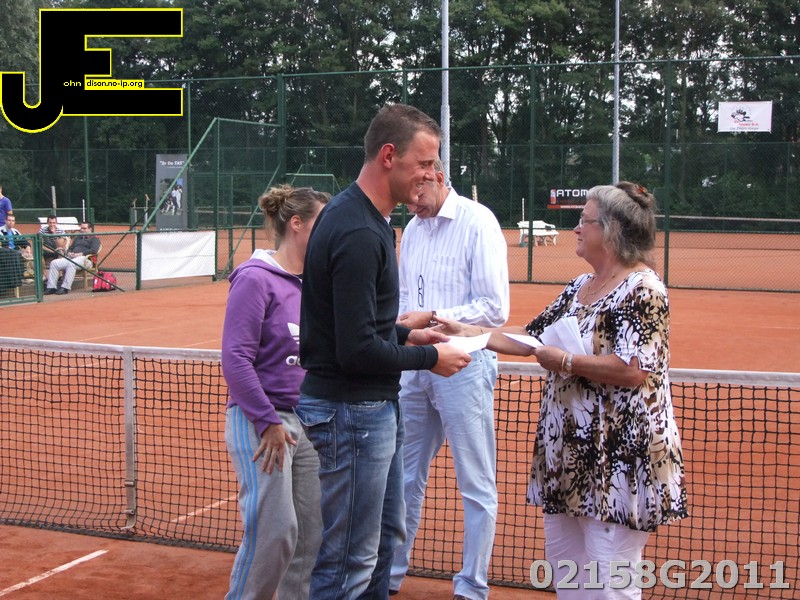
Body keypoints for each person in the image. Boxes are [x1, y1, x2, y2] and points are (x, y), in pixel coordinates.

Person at [435, 182, 688, 599]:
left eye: (584, 220)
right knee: (568, 576)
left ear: (611, 230)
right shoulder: (580, 286)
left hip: (618, 460)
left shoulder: (645, 290)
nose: (576, 228)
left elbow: (634, 371)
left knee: (610, 583)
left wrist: (567, 362)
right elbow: (531, 337)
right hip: (568, 457)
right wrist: (464, 331)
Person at [295, 103, 472, 599]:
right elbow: (354, 352)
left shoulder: (365, 220)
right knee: (348, 561)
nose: (432, 174)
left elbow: (356, 331)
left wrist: (404, 335)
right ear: (389, 156)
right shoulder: (356, 230)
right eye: (425, 163)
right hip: (351, 413)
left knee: (380, 545)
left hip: (370, 409)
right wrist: (431, 359)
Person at [389, 160, 510, 600]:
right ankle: (389, 574)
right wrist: (402, 328)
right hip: (416, 363)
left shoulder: (479, 223)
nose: (413, 206)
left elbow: (494, 308)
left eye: (418, 195)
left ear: (437, 177)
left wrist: (435, 316)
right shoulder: (413, 230)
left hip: (465, 364)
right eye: (407, 200)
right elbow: (406, 296)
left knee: (475, 481)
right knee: (403, 476)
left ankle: (472, 586)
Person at [221, 184, 330, 600]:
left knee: (310, 533)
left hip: (308, 422)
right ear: (296, 224)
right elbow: (235, 358)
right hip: (262, 422)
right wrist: (267, 422)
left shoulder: (316, 283)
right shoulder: (254, 279)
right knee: (275, 531)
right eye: (322, 223)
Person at [44, 221, 100, 295]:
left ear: (90, 229)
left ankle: (65, 288)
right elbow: (71, 248)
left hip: (86, 260)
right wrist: (70, 253)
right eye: (81, 228)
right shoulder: (77, 237)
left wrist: (80, 254)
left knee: (71, 263)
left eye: (84, 228)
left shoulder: (94, 238)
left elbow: (94, 250)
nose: (82, 230)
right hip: (72, 258)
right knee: (54, 263)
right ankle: (51, 287)